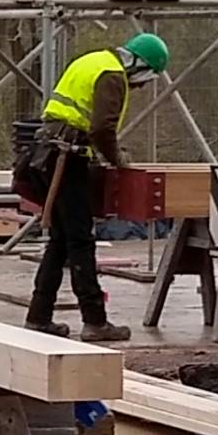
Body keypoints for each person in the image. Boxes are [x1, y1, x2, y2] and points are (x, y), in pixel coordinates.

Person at [22, 31, 168, 343]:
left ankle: (39, 316)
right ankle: (94, 321)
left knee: (61, 242)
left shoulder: (93, 60)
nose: (141, 86)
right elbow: (103, 128)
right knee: (80, 241)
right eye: (146, 78)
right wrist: (118, 160)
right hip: (66, 158)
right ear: (142, 67)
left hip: (49, 151)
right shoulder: (113, 75)